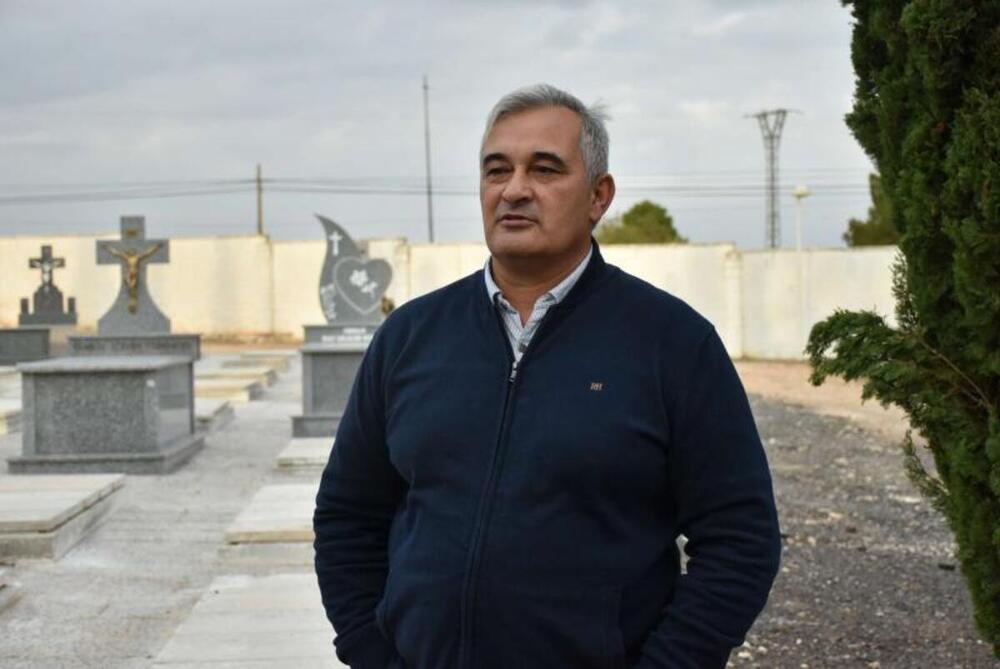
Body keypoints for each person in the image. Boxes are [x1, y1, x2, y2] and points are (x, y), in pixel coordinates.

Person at [314, 83, 782, 669]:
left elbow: (741, 540)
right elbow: (347, 514)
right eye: (496, 170)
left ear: (598, 196)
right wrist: (369, 647)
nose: (514, 189)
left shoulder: (672, 343)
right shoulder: (409, 337)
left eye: (545, 169)